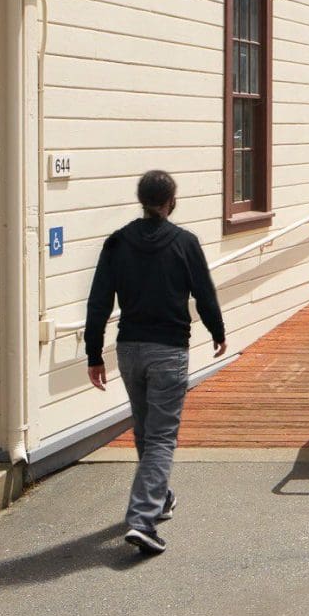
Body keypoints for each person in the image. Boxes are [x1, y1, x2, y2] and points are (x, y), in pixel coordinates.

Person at [85, 169, 227, 556]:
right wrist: (217, 330)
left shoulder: (117, 243)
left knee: (147, 432)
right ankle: (142, 521)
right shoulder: (185, 243)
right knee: (162, 437)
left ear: (142, 200)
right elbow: (204, 294)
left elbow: (99, 302)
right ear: (171, 201)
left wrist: (94, 354)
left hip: (129, 350)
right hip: (168, 350)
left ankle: (159, 499)